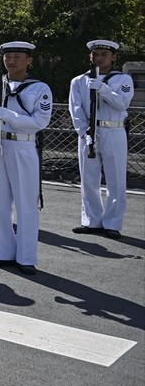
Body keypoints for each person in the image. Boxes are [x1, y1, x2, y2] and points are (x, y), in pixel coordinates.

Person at [0, 41, 51, 274]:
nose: (11, 60)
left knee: (26, 204)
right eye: (8, 56)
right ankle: (1, 252)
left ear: (29, 60)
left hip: (24, 147)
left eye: (17, 56)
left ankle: (26, 257)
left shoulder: (39, 89)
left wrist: (10, 116)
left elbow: (40, 122)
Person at [68, 39, 134, 239]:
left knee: (116, 180)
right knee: (89, 179)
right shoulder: (79, 81)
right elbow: (75, 109)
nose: (98, 58)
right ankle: (92, 221)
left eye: (104, 55)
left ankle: (113, 223)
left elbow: (121, 104)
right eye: (95, 54)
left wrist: (103, 89)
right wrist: (84, 133)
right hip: (89, 132)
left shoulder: (123, 80)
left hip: (113, 131)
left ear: (113, 57)